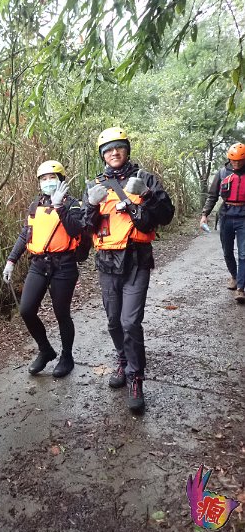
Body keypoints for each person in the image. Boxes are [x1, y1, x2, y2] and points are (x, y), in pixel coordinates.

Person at [83, 128, 174, 412]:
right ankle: (122, 360)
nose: (114, 153)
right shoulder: (96, 184)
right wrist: (91, 205)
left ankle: (136, 377)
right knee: (113, 321)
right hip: (107, 261)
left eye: (119, 147)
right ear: (102, 155)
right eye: (108, 150)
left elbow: (166, 215)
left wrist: (146, 194)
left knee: (130, 322)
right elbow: (84, 226)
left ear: (127, 150)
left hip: (136, 259)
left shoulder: (145, 178)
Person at [3, 160, 84, 378]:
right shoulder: (35, 205)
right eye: (44, 179)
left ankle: (67, 356)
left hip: (64, 265)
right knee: (26, 310)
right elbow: (25, 234)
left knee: (61, 313)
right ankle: (46, 350)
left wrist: (59, 206)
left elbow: (76, 229)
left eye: (52, 178)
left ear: (61, 180)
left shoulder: (73, 204)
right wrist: (11, 260)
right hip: (39, 264)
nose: (48, 182)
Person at [200, 142, 245, 303]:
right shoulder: (222, 173)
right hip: (226, 215)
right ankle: (234, 276)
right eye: (234, 160)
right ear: (229, 159)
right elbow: (212, 196)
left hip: (243, 217)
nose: (236, 163)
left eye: (240, 160)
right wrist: (204, 214)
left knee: (243, 253)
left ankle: (241, 288)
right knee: (227, 251)